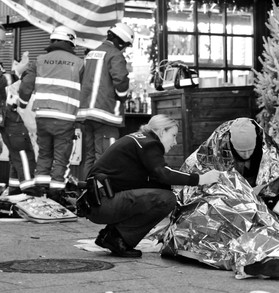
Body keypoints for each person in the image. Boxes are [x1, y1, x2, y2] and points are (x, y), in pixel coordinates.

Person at [160, 117, 279, 279]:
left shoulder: (266, 149)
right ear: (231, 144)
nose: (247, 155)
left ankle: (273, 260)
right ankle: (252, 262)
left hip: (256, 207)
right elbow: (192, 183)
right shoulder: (212, 150)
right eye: (241, 152)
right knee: (218, 233)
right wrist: (235, 194)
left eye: (250, 150)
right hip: (220, 207)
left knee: (270, 225)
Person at [82, 114, 220, 258]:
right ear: (161, 132)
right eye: (173, 135)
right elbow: (163, 173)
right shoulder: (149, 144)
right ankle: (117, 238)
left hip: (97, 202)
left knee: (162, 192)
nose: (174, 142)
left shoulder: (139, 139)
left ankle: (112, 236)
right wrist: (201, 178)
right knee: (166, 199)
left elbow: (152, 179)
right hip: (103, 204)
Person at [19, 25, 84, 201]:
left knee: (44, 152)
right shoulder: (78, 63)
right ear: (71, 42)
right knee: (61, 156)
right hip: (65, 117)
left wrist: (22, 103)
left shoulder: (40, 60)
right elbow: (85, 90)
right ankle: (56, 193)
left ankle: (40, 189)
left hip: (42, 116)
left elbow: (26, 85)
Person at [76, 22, 134, 179]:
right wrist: (122, 97)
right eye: (126, 45)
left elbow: (80, 78)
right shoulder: (115, 54)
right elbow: (121, 80)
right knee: (107, 158)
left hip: (87, 115)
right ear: (121, 41)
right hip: (106, 115)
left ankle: (86, 194)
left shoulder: (91, 54)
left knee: (89, 157)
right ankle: (102, 197)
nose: (125, 49)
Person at [0, 24, 37, 196]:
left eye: (3, 42)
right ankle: (29, 191)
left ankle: (14, 190)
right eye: (0, 41)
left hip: (5, 118)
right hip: (9, 118)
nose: (2, 45)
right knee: (22, 152)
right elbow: (7, 90)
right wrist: (19, 76)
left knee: (16, 153)